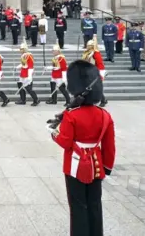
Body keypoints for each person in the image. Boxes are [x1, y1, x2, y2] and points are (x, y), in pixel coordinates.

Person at [49, 60, 116, 236]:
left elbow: (64, 142)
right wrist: (106, 167)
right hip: (96, 165)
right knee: (95, 204)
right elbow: (109, 146)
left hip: (75, 165)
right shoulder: (105, 115)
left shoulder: (72, 116)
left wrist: (53, 132)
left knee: (78, 205)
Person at [82, 36, 107, 107]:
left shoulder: (95, 53)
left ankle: (103, 100)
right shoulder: (89, 53)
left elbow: (99, 64)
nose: (87, 47)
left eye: (89, 46)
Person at [15, 38, 39, 106]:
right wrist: (17, 67)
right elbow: (23, 64)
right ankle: (23, 99)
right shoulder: (23, 55)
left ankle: (36, 99)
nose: (20, 50)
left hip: (27, 74)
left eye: (21, 49)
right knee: (20, 85)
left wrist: (29, 76)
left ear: (24, 49)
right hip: (22, 73)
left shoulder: (29, 55)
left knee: (28, 88)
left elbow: (30, 66)